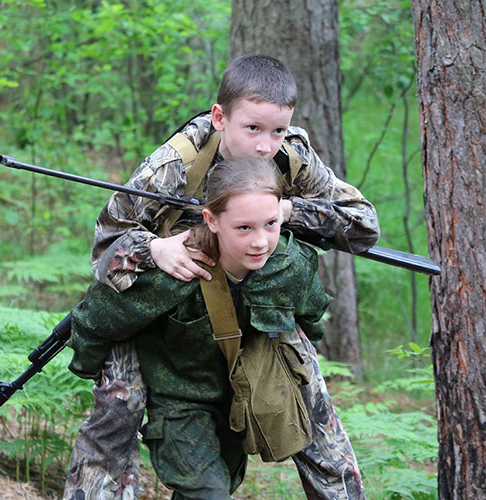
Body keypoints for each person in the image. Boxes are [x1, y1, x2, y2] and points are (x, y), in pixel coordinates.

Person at [64, 54, 379, 500]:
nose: (265, 145)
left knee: (313, 410)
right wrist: (153, 247)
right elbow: (104, 250)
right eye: (252, 128)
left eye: (278, 131)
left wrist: (287, 211)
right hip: (159, 301)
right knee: (116, 415)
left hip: (258, 299)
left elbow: (363, 226)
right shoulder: (174, 165)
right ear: (220, 117)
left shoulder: (293, 158)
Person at [67, 158, 331, 499]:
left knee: (217, 487)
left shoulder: (289, 266)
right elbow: (96, 319)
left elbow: (311, 317)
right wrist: (99, 374)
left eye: (270, 224)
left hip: (240, 406)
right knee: (208, 492)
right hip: (180, 405)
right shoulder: (176, 270)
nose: (260, 241)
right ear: (212, 220)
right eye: (244, 228)